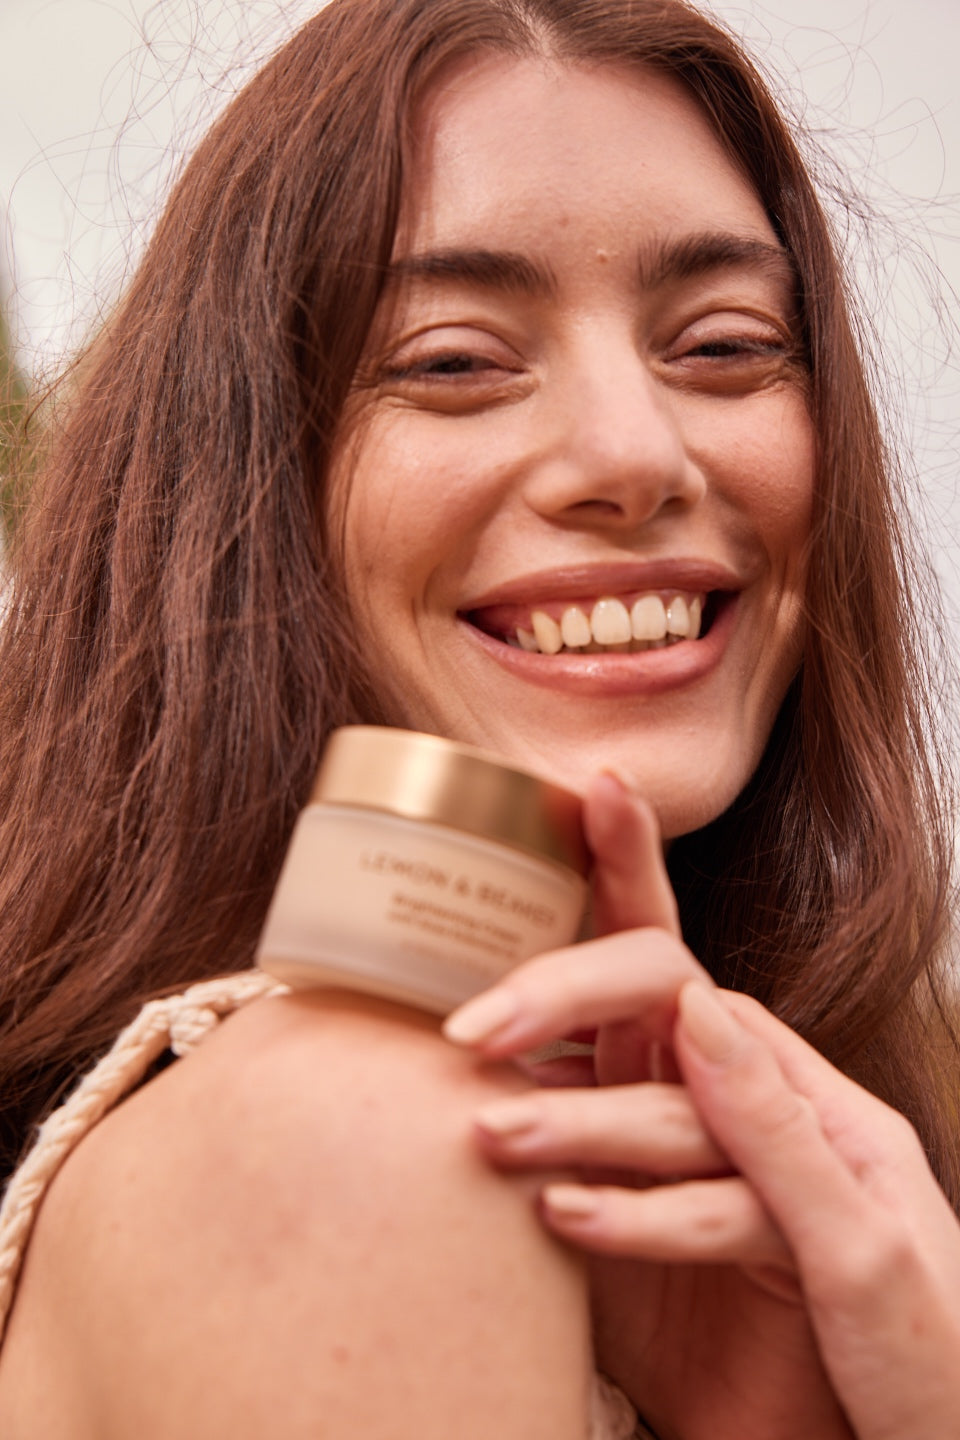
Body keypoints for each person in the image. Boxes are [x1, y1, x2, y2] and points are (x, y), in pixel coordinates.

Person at [0, 0, 958, 1434]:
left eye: (724, 344)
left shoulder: (780, 1178)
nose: (633, 456)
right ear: (242, 495)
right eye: (453, 360)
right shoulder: (353, 1125)